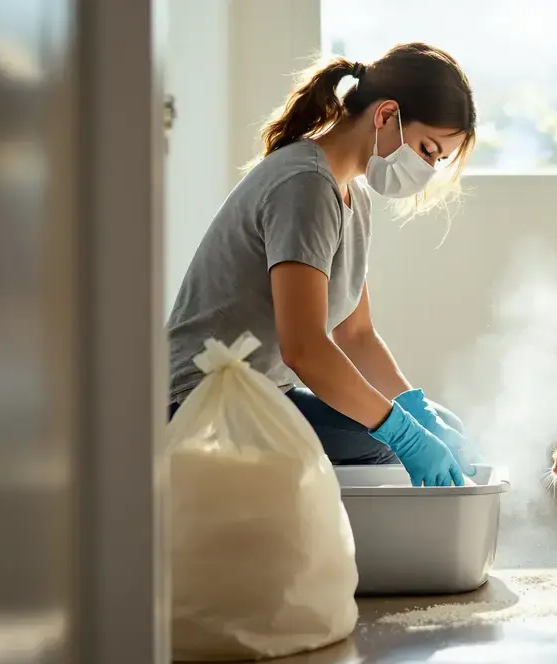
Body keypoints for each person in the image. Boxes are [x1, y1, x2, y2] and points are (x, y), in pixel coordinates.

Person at [166, 43, 477, 487]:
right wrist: (405, 434)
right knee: (387, 441)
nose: (427, 169)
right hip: (202, 404)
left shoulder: (351, 194)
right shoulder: (306, 185)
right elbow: (306, 349)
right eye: (428, 150)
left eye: (438, 160)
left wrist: (416, 410)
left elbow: (357, 334)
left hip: (258, 394)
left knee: (439, 427)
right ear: (386, 115)